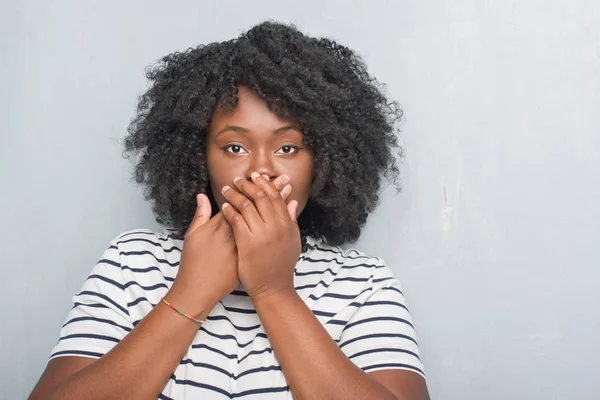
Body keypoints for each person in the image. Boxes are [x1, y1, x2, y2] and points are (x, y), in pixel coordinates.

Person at [29, 20, 429, 400]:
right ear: (197, 156)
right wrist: (191, 291)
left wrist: (274, 291)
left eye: (287, 148)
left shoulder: (363, 284)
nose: (260, 170)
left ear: (323, 162)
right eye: (234, 147)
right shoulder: (131, 263)